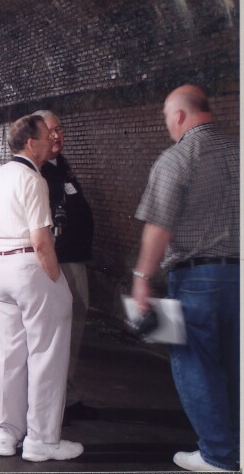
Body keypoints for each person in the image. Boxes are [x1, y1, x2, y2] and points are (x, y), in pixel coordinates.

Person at [130, 85, 239, 472]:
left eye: (165, 116)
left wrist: (142, 278)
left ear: (179, 115)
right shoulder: (238, 152)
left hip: (197, 281)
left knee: (195, 363)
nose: (166, 124)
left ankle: (219, 455)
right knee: (236, 364)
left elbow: (159, 227)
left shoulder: (177, 159)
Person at [0, 114, 83, 462]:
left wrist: (6, 240)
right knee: (46, 354)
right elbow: (41, 241)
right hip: (31, 270)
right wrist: (55, 279)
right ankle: (42, 441)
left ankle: (6, 434)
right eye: (48, 136)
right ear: (32, 144)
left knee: (9, 353)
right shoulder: (33, 180)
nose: (54, 140)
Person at [32, 110, 95, 419]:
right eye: (51, 130)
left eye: (60, 128)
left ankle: (66, 395)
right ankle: (52, 404)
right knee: (55, 333)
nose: (58, 135)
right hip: (57, 265)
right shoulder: (37, 171)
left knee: (72, 331)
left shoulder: (62, 167)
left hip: (75, 259)